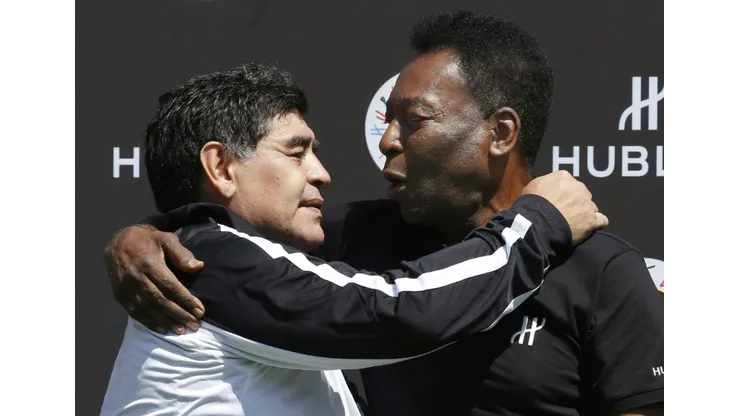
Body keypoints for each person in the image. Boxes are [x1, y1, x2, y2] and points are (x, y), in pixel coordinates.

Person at [104, 11, 663, 416]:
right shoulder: (342, 240)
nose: (387, 140)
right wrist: (148, 235)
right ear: (221, 167)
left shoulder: (602, 270)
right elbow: (398, 311)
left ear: (500, 133)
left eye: (413, 120)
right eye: (296, 153)